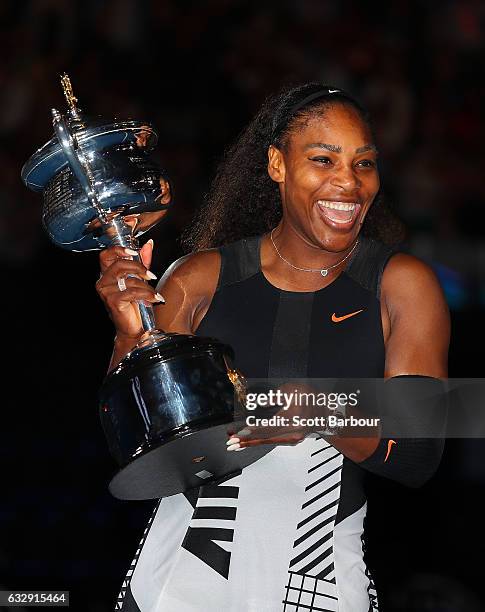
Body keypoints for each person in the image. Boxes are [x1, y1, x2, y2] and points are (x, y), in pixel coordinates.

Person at [96, 83, 450, 612]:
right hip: (181, 586)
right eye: (323, 159)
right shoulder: (199, 279)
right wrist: (130, 334)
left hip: (320, 589)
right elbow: (141, 444)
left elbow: (418, 453)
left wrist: (320, 408)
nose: (348, 183)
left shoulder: (401, 285)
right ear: (277, 165)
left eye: (364, 163)